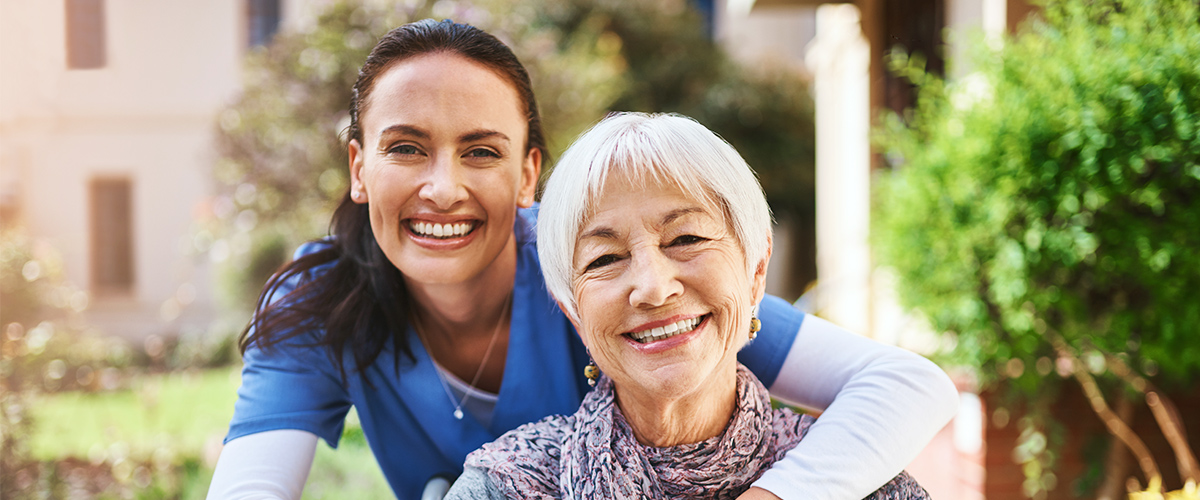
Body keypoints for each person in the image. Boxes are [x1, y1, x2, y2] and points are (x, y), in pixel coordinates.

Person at [206, 19, 957, 500]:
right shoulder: (316, 302)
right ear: (360, 167)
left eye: (481, 151)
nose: (443, 187)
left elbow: (906, 384)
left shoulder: (603, 272)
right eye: (406, 148)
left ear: (530, 174)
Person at [445, 112, 930, 499]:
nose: (654, 288)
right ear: (572, 310)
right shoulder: (505, 487)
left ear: (756, 268)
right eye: (606, 258)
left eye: (687, 238)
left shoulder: (866, 485)